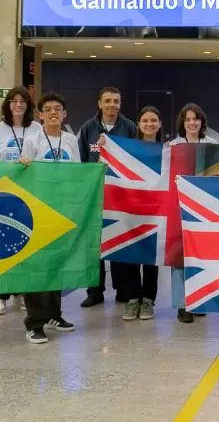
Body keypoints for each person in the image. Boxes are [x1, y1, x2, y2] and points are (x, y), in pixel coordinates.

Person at [18, 92, 81, 345]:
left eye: (58, 109)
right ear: (40, 115)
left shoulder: (70, 140)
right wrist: (23, 164)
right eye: (48, 109)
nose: (53, 112)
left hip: (62, 209)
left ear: (65, 114)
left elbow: (78, 173)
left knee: (56, 263)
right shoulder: (32, 140)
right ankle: (34, 322)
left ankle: (54, 315)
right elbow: (24, 173)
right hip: (37, 210)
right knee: (36, 266)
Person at [0, 86, 41, 317]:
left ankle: (20, 291)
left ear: (28, 105)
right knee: (2, 246)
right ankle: (1, 294)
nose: (18, 105)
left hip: (29, 196)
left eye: (23, 101)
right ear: (8, 104)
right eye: (14, 101)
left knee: (25, 245)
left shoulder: (37, 129)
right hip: (2, 196)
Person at [77, 87, 138, 308]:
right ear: (100, 103)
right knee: (94, 243)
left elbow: (136, 159)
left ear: (120, 104)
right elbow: (82, 160)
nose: (112, 105)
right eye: (108, 101)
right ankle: (95, 291)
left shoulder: (129, 128)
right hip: (95, 194)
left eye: (116, 101)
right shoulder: (88, 128)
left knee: (119, 239)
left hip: (121, 195)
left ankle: (122, 289)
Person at [116, 107, 164, 322]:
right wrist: (105, 147)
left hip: (155, 209)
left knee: (151, 256)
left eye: (153, 120)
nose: (149, 124)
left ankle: (148, 299)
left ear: (160, 124)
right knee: (131, 253)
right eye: (145, 120)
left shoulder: (167, 150)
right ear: (138, 124)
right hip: (131, 208)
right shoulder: (129, 149)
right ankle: (132, 298)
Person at [169, 103, 216, 323]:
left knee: (201, 256)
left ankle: (199, 300)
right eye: (187, 119)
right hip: (178, 207)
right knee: (179, 256)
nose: (192, 123)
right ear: (182, 122)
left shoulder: (212, 145)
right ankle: (182, 305)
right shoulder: (173, 146)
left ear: (202, 121)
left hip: (203, 210)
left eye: (195, 118)